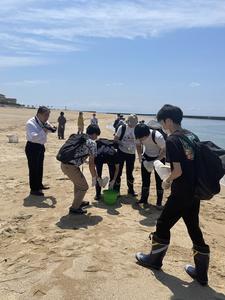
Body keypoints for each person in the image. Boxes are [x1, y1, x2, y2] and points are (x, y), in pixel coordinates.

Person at [136, 104, 210, 286]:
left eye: (162, 122)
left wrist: (167, 181)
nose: (162, 125)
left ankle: (154, 261)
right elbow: (190, 163)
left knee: (162, 224)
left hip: (181, 191)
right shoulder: (191, 135)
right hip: (195, 191)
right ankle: (201, 274)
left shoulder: (172, 140)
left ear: (167, 120)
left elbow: (177, 170)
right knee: (194, 229)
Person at [60, 124, 101, 214]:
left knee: (78, 184)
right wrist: (94, 177)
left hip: (64, 164)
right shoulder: (92, 143)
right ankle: (74, 208)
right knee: (84, 187)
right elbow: (91, 164)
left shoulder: (79, 137)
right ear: (94, 134)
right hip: (71, 167)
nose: (96, 137)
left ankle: (78, 201)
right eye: (97, 135)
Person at [25, 106, 57, 196]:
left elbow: (49, 128)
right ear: (39, 114)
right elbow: (34, 137)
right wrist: (44, 130)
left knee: (39, 167)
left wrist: (52, 129)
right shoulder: (30, 123)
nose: (47, 118)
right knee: (33, 168)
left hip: (41, 146)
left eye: (48, 115)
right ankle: (34, 189)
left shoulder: (44, 121)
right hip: (32, 147)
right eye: (46, 115)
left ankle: (39, 185)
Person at [135, 123, 166, 209]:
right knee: (145, 180)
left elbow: (164, 150)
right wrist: (140, 156)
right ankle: (144, 199)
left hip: (159, 157)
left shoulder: (157, 136)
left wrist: (156, 161)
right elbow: (138, 145)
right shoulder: (138, 135)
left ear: (147, 134)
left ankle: (159, 203)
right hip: (147, 156)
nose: (140, 139)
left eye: (141, 138)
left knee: (159, 181)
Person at [114, 114, 138, 196]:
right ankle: (117, 190)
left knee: (130, 172)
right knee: (118, 171)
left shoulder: (137, 129)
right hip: (121, 152)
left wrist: (139, 154)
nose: (133, 124)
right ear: (128, 121)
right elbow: (116, 139)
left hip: (132, 154)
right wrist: (122, 144)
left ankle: (130, 190)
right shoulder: (122, 128)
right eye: (131, 122)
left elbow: (139, 142)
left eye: (135, 122)